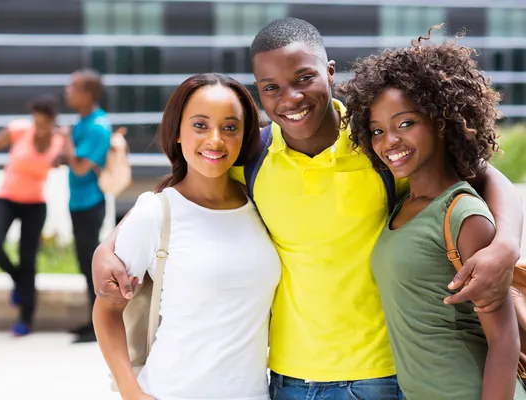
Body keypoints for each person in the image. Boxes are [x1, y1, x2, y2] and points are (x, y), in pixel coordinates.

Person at [91, 18, 524, 399]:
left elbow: (482, 176)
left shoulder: (378, 144)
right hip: (286, 380)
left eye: (304, 79)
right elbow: (180, 195)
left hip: (381, 377)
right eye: (271, 88)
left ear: (330, 73)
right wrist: (108, 248)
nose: (290, 98)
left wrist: (505, 243)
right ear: (259, 91)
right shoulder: (252, 157)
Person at [335, 26, 526, 400]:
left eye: (406, 123)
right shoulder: (403, 203)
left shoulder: (463, 215)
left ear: (441, 122)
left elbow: (504, 341)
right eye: (376, 130)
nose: (389, 142)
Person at [93, 72, 280, 400]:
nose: (215, 140)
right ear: (177, 132)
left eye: (230, 127)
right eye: (200, 125)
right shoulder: (157, 212)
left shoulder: (262, 202)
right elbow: (107, 309)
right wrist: (131, 392)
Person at [0, 95, 65, 336]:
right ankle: (18, 280)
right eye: (36, 122)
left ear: (52, 122)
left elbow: (67, 160)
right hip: (7, 199)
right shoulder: (20, 130)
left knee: (28, 259)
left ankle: (25, 319)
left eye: (44, 124)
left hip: (35, 204)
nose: (38, 128)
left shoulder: (60, 141)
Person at [63, 69, 111, 343]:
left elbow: (80, 168)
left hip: (90, 202)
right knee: (83, 262)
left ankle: (100, 325)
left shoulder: (96, 126)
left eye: (73, 87)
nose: (67, 91)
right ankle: (92, 320)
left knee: (90, 262)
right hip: (77, 202)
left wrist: (66, 141)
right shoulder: (82, 123)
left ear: (88, 93)